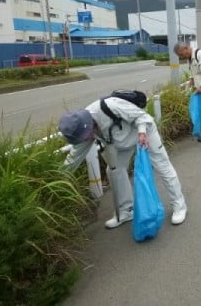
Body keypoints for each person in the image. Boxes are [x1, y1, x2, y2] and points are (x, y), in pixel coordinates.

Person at [58, 98, 188, 229]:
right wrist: (59, 177)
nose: (86, 139)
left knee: (162, 165)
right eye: (83, 137)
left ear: (88, 124)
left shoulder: (110, 106)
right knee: (114, 170)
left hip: (144, 133)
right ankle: (127, 211)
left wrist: (142, 132)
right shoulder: (82, 130)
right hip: (120, 143)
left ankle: (179, 205)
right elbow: (74, 157)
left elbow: (142, 116)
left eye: (85, 135)